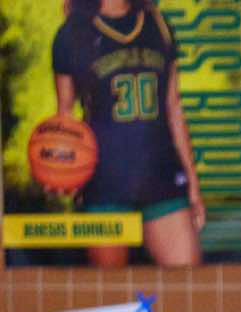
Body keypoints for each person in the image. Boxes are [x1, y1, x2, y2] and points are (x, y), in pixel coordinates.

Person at [49, 0, 203, 267]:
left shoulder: (158, 25)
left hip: (161, 179)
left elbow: (174, 108)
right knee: (111, 290)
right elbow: (65, 117)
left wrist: (193, 184)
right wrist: (59, 170)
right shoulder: (71, 33)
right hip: (105, 184)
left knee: (188, 285)